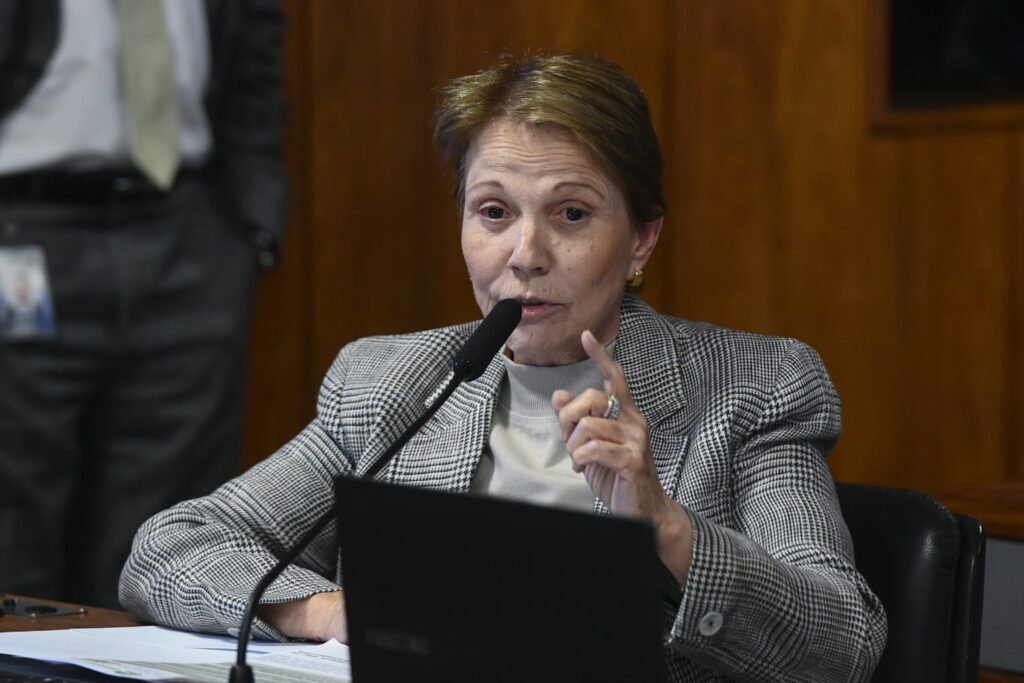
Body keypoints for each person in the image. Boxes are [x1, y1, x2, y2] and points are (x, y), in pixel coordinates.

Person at [120, 54, 887, 680]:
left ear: (642, 238)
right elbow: (172, 546)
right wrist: (335, 612)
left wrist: (667, 525)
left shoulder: (753, 388)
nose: (525, 255)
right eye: (494, 212)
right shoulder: (393, 382)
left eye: (571, 214)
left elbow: (844, 640)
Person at [0, 0, 287, 609]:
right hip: (21, 220)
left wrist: (253, 228)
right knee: (12, 531)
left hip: (186, 234)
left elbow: (255, 58)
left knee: (166, 550)